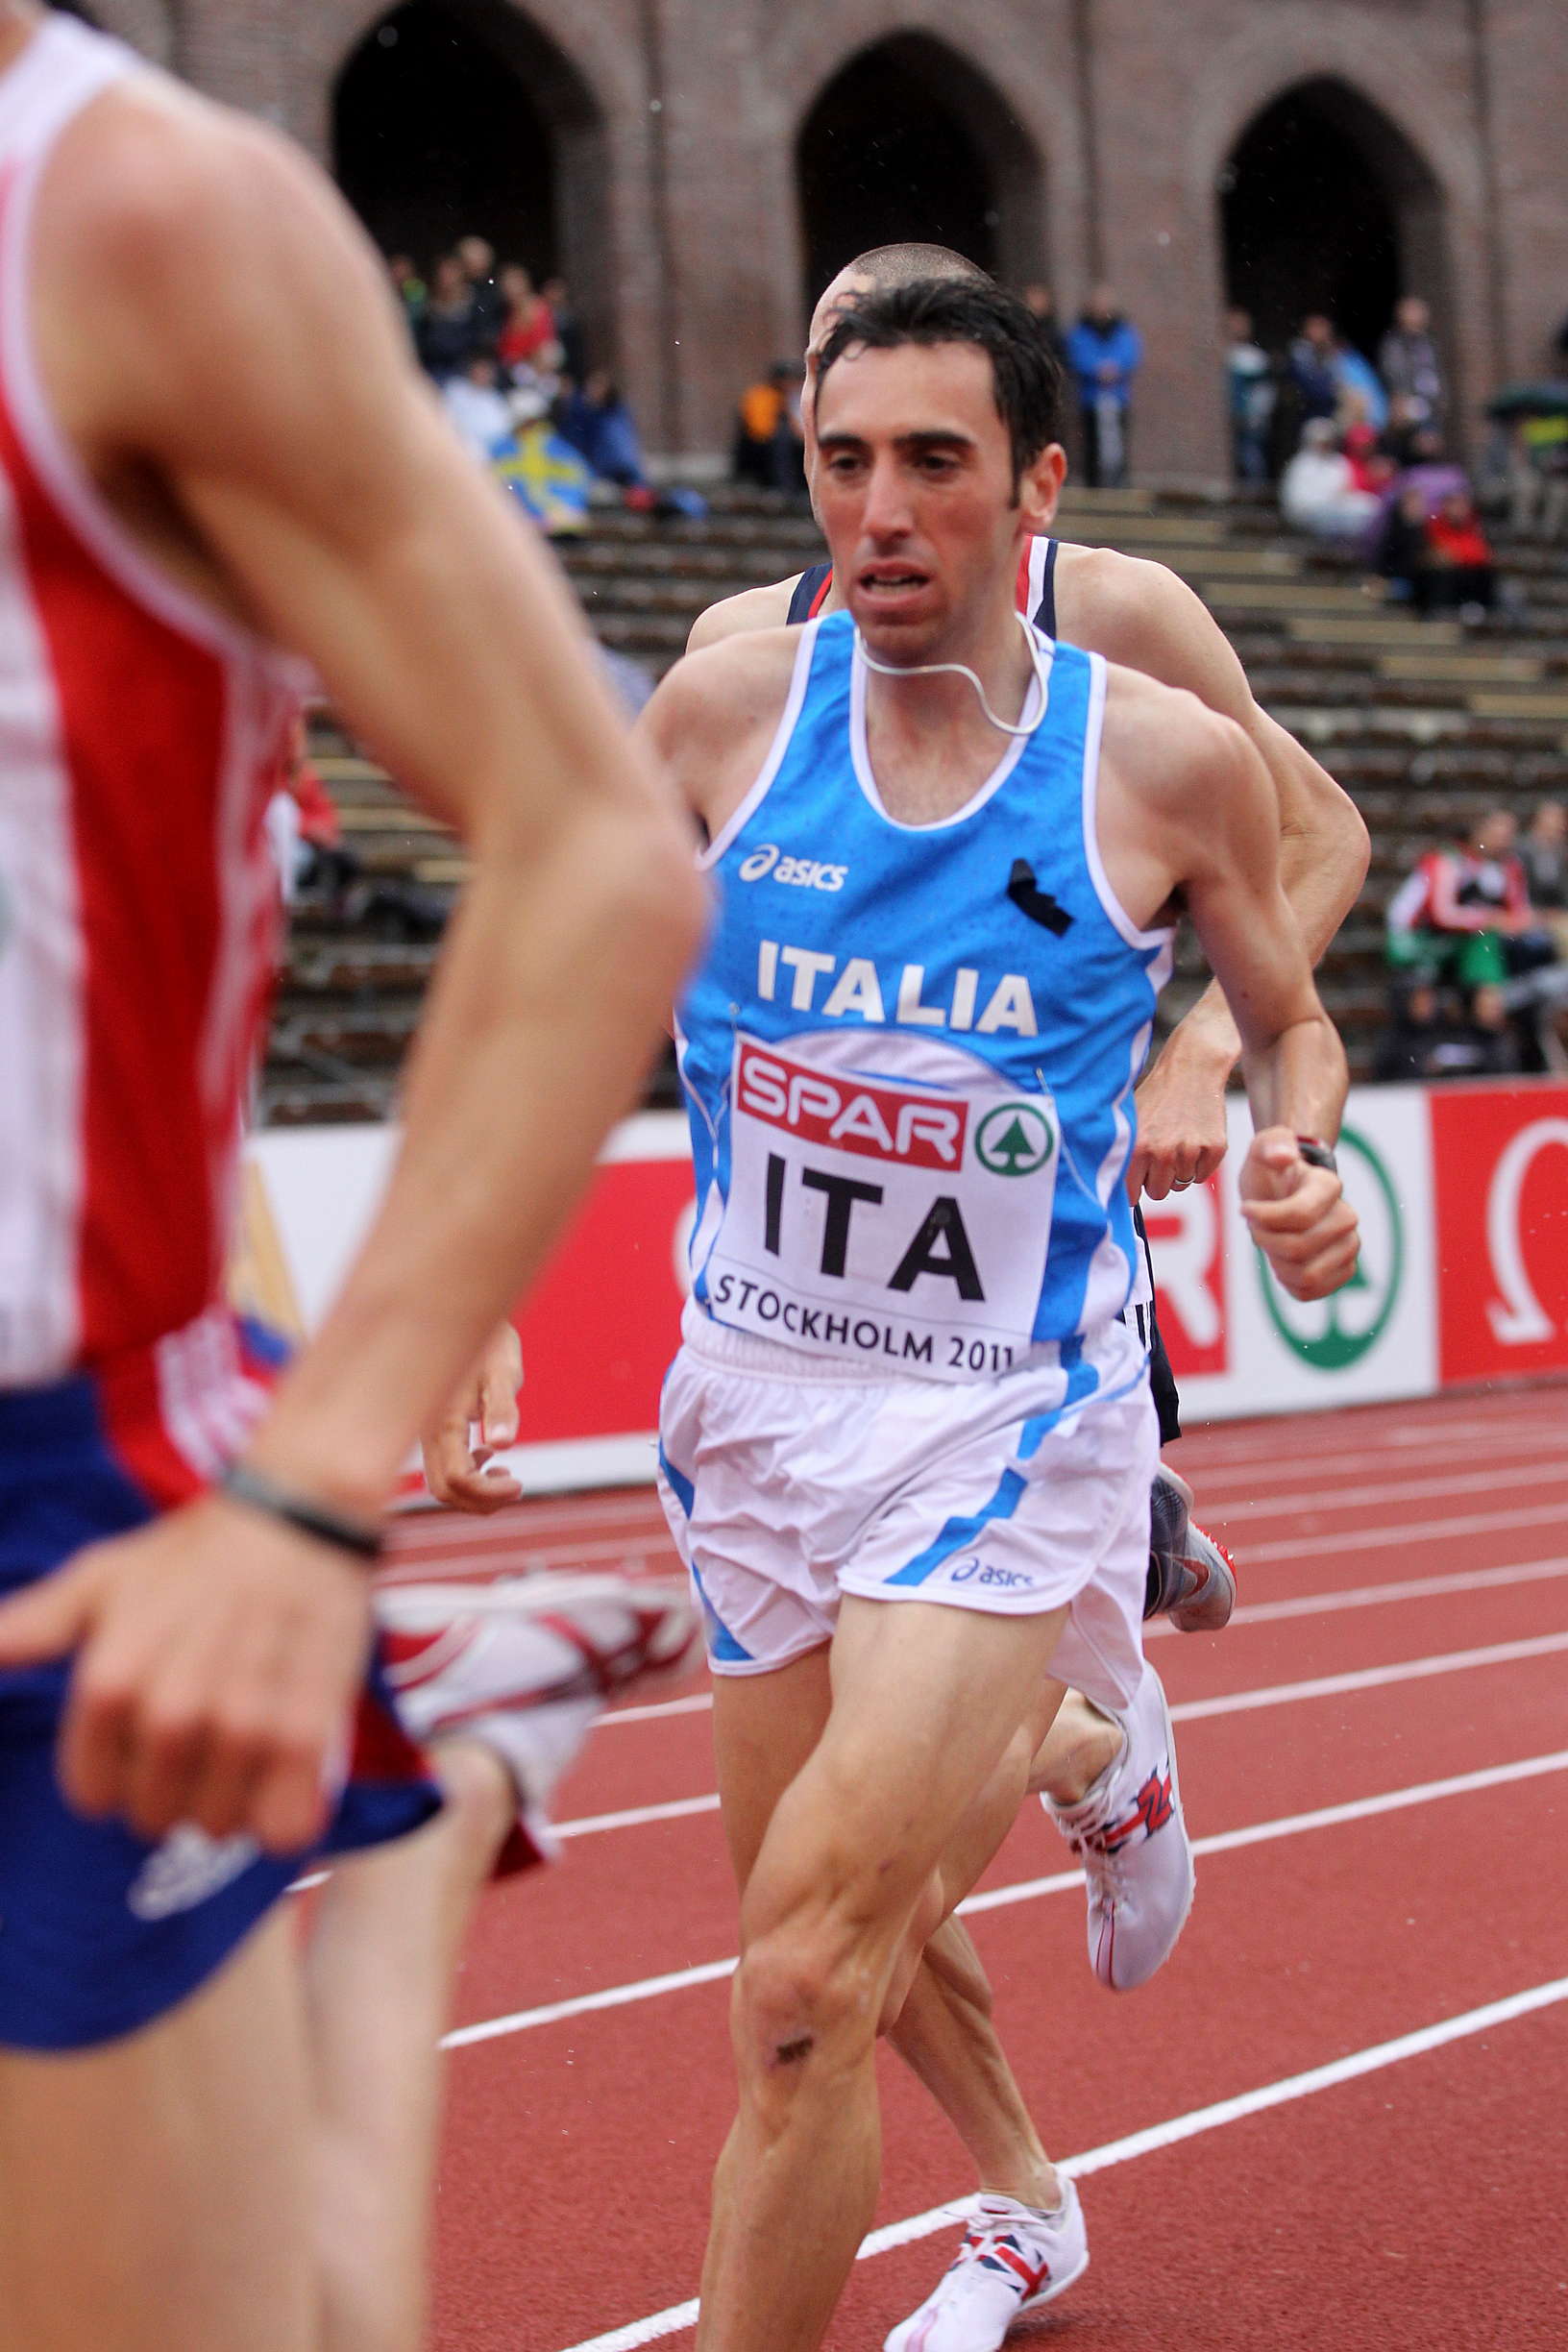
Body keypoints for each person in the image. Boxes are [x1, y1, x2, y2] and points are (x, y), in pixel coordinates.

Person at [0, 10, 706, 2350]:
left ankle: (408, 1822)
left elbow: (600, 844)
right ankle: (427, 1779)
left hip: (46, 1513)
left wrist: (310, 1492)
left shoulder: (134, 219)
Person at [638, 276, 1358, 2352]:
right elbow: (559, 961)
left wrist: (1254, 1104)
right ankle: (1041, 2088)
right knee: (822, 1950)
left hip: (1002, 1406)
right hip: (759, 1398)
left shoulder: (1139, 679)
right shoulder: (724, 691)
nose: (880, 501)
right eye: (840, 449)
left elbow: (1311, 906)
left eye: (931, 457)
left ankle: (1079, 1695)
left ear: (1032, 479)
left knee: (805, 1966)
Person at [1065, 283, 1140, 486]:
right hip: (1091, 397)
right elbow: (1077, 354)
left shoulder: (1122, 330)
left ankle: (1119, 480)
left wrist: (1115, 368)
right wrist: (1096, 369)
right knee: (1091, 441)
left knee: (1119, 440)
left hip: (1117, 396)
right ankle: (1094, 483)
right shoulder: (1082, 331)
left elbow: (1130, 352)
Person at [1279, 417, 1383, 542]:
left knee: (1370, 506)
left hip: (1336, 509)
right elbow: (1297, 501)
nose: (1324, 445)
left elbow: (1346, 490)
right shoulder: (1301, 464)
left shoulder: (1338, 462)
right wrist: (1327, 500)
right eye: (1321, 442)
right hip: (1309, 514)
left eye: (1327, 441)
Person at [1378, 295, 1445, 434]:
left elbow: (1437, 373)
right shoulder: (1395, 345)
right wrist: (1400, 397)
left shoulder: (1429, 344)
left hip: (1430, 404)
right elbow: (1393, 373)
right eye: (1412, 312)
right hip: (1407, 404)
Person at [1226, 306, 1275, 483]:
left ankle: (1255, 490)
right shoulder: (1222, 354)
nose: (1237, 328)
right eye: (1233, 324)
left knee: (1251, 457)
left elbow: (1265, 390)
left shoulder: (1255, 357)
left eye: (1241, 324)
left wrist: (1258, 414)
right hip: (1227, 418)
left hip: (1249, 419)